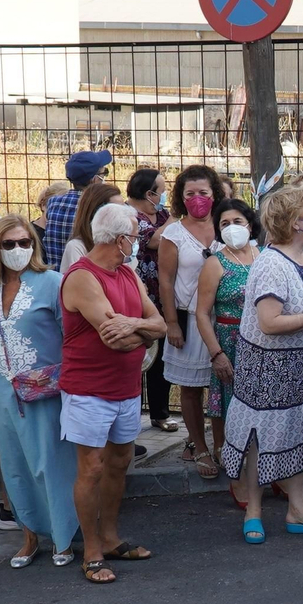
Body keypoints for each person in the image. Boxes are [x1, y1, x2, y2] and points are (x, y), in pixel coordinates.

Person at [60, 203, 167, 583]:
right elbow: (115, 340)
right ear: (122, 240)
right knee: (92, 468)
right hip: (89, 389)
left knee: (120, 462)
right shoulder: (82, 277)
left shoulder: (126, 273)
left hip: (125, 388)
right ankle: (91, 551)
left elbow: (161, 324)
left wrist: (137, 325)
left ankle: (110, 538)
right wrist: (146, 332)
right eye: (135, 237)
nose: (137, 243)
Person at [221, 186, 303, 543]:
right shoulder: (271, 263)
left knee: (298, 432)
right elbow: (269, 321)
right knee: (260, 437)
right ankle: (253, 512)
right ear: (292, 221)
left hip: (299, 363)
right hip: (266, 368)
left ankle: (297, 510)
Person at [0, 215, 80, 569]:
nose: (18, 250)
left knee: (51, 464)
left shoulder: (52, 282)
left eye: (25, 242)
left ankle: (63, 538)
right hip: (4, 396)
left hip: (48, 391)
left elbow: (73, 339)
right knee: (16, 466)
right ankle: (30, 536)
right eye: (9, 244)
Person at [159, 164, 226, 478]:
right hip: (188, 318)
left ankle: (221, 444)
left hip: (223, 318)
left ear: (214, 193)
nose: (197, 198)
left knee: (222, 384)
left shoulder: (228, 226)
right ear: (181, 197)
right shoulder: (173, 234)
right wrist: (171, 322)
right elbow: (166, 280)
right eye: (190, 193)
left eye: (203, 192)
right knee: (191, 388)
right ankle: (199, 445)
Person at [196, 198, 261, 486]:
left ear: (249, 224)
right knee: (229, 406)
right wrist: (216, 353)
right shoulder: (215, 263)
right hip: (229, 343)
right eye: (224, 224)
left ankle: (261, 464)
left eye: (237, 222)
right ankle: (234, 468)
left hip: (261, 344)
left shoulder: (263, 255)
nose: (232, 228)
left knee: (260, 406)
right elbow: (201, 313)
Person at [128, 168, 178, 433]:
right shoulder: (129, 215)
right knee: (138, 359)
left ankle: (160, 413)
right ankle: (131, 419)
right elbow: (155, 241)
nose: (167, 192)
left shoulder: (161, 214)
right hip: (136, 299)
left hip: (163, 297)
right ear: (149, 193)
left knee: (162, 360)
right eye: (163, 187)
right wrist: (176, 217)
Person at [42, 149, 113, 271]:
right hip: (85, 279)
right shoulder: (98, 207)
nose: (104, 177)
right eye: (104, 173)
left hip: (56, 277)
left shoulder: (53, 203)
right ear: (94, 179)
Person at [61, 183, 125, 272]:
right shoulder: (76, 247)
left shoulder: (123, 244)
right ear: (97, 213)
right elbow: (79, 281)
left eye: (124, 209)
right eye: (116, 211)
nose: (124, 216)